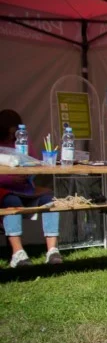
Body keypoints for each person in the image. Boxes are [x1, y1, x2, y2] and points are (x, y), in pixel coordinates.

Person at [0, 109, 61, 267]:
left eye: (15, 131)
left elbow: (34, 163)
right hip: (4, 190)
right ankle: (18, 253)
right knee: (11, 201)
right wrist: (11, 177)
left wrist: (27, 175)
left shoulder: (23, 142)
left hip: (25, 189)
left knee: (50, 200)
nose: (13, 135)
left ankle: (52, 250)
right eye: (10, 131)